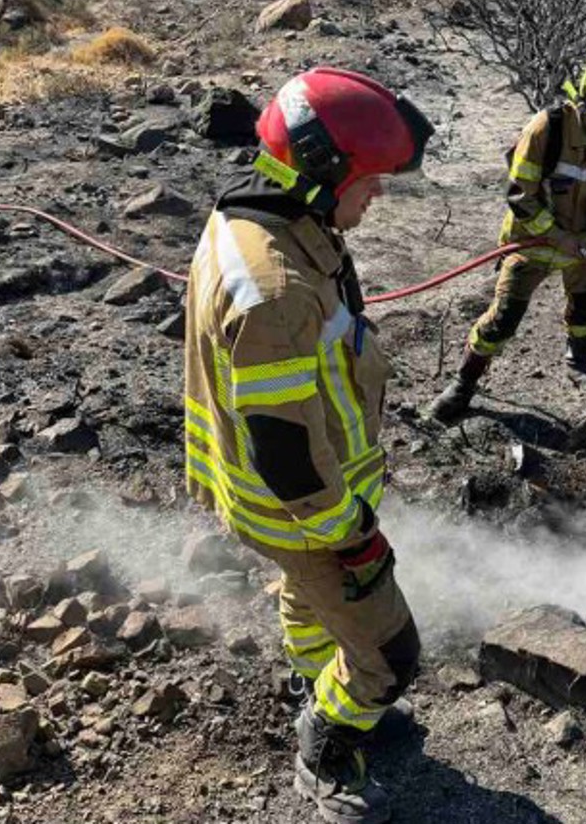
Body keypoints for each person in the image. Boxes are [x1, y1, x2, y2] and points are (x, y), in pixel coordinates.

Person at [183, 68, 434, 824]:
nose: (379, 195)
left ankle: (311, 677)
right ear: (324, 176)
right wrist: (355, 542)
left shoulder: (258, 214)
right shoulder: (277, 290)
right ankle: (323, 745)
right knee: (392, 656)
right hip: (305, 512)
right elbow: (288, 455)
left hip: (289, 507)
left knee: (303, 603)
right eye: (370, 179)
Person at [427, 54, 586, 424]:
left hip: (584, 242)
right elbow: (520, 196)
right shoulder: (548, 129)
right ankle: (463, 383)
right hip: (532, 240)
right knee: (504, 318)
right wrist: (556, 237)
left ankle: (578, 364)